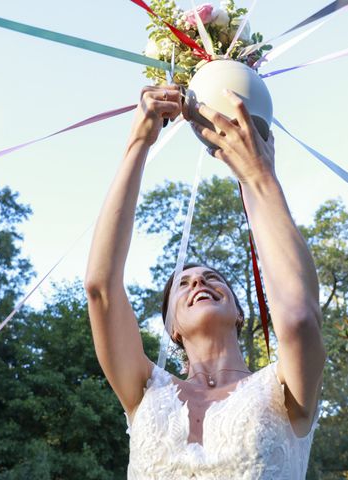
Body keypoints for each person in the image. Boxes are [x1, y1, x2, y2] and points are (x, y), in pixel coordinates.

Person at [84, 84, 326, 479]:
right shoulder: (144, 389)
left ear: (238, 312)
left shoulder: (283, 391)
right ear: (172, 328)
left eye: (214, 279)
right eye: (184, 284)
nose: (199, 283)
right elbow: (100, 288)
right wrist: (138, 142)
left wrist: (260, 178)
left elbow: (299, 316)